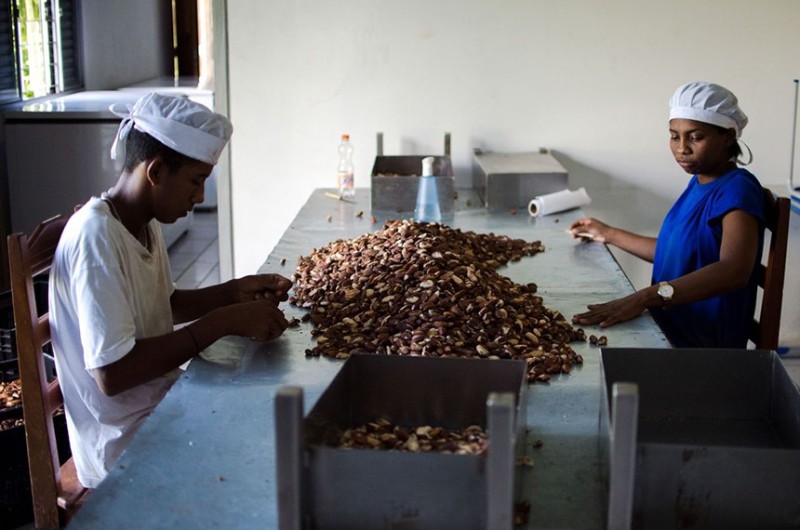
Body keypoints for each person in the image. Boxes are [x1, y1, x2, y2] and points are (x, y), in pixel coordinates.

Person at [49, 93, 292, 488]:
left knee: (268, 403)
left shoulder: (141, 222)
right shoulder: (96, 238)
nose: (199, 197)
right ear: (157, 171)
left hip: (160, 403)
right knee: (265, 450)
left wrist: (234, 292)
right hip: (121, 441)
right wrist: (223, 322)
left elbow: (167, 304)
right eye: (196, 181)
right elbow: (112, 373)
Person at [569, 81, 766, 348]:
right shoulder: (699, 182)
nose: (682, 147)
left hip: (702, 347)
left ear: (728, 137)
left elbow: (734, 271)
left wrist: (646, 297)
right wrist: (608, 233)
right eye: (674, 136)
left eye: (695, 137)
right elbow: (675, 252)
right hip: (669, 329)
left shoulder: (738, 189)